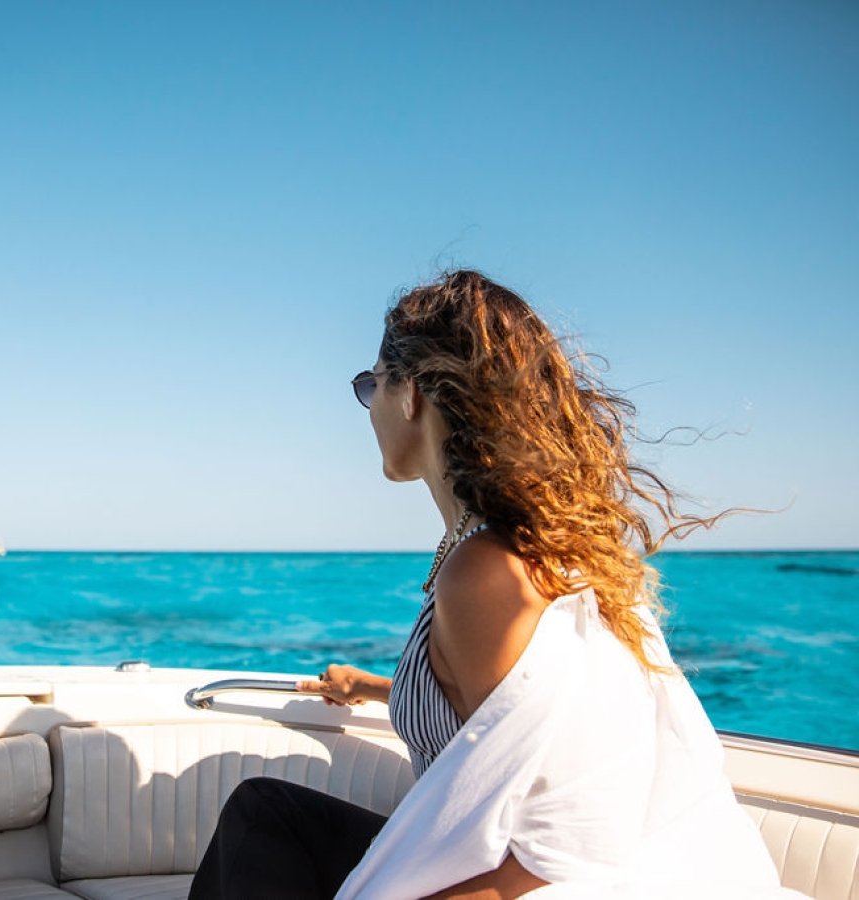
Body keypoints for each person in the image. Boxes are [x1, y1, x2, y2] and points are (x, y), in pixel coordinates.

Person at [189, 270, 793, 899]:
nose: (368, 410)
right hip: (477, 858)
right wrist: (372, 687)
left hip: (512, 880)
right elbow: (511, 709)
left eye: (372, 384)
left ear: (414, 394)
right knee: (263, 811)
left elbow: (563, 845)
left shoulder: (487, 571)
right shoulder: (533, 550)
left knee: (262, 816)